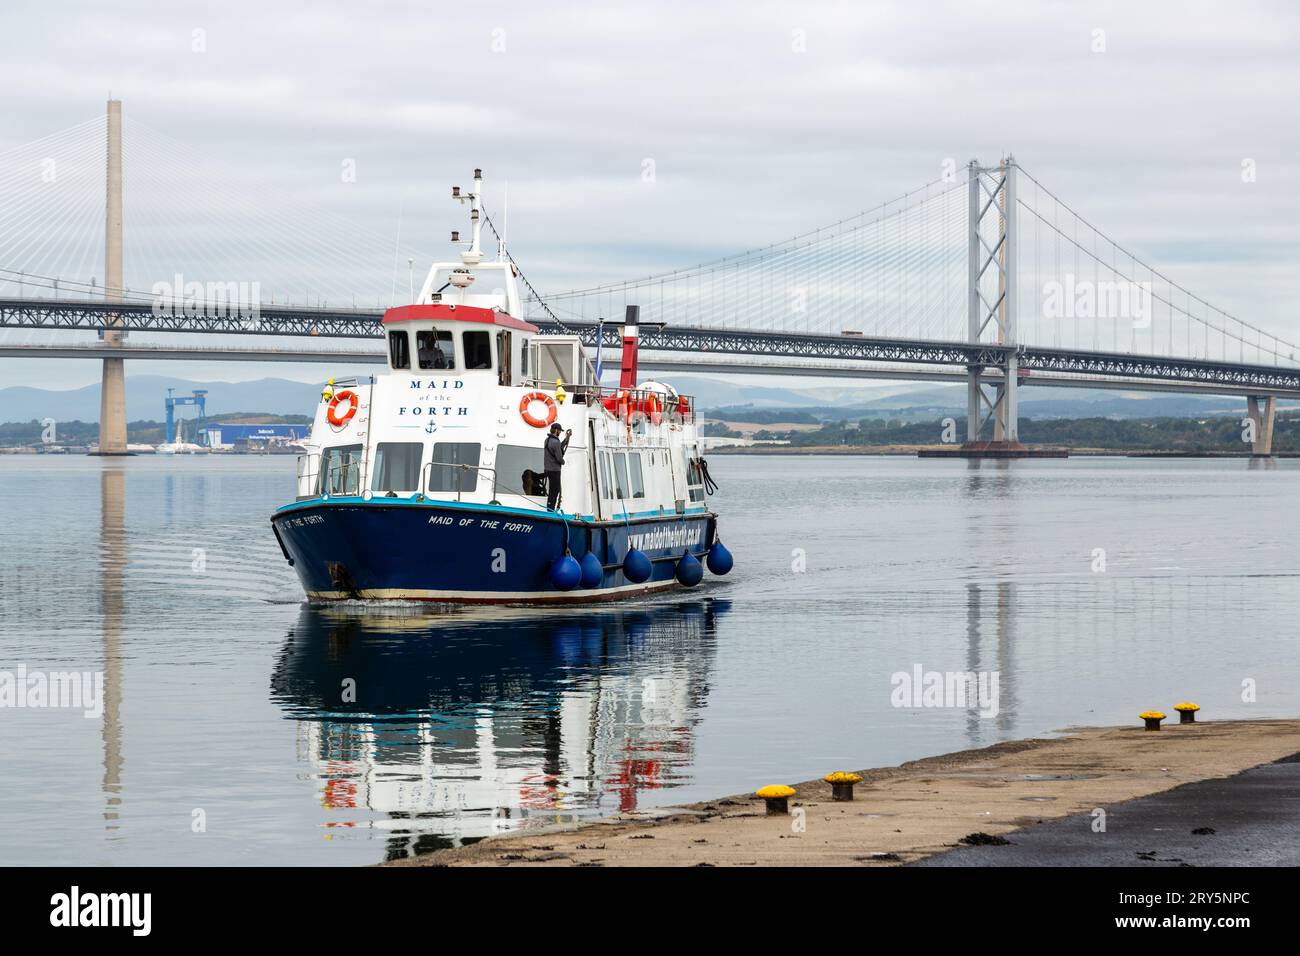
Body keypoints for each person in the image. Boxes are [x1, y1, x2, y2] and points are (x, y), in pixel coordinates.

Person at [544, 422, 571, 511]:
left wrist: (566, 438)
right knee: (555, 491)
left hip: (548, 469)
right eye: (559, 431)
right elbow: (559, 458)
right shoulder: (555, 442)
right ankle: (551, 510)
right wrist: (563, 462)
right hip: (555, 470)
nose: (560, 432)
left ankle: (549, 508)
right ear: (556, 430)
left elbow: (558, 447)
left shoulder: (547, 440)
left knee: (552, 490)